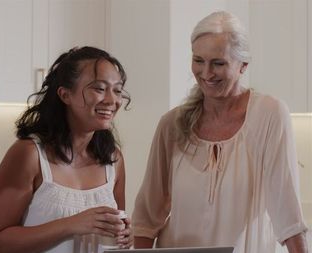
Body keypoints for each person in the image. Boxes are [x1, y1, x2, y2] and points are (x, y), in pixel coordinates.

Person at [132, 11, 309, 253]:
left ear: (243, 66)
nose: (206, 73)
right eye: (198, 60)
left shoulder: (269, 114)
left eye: (218, 63)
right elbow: (147, 217)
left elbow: (286, 210)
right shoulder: (170, 125)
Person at [0, 46, 133, 253]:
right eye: (99, 88)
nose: (112, 100)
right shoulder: (29, 155)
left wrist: (124, 236)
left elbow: (114, 238)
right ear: (65, 95)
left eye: (117, 90)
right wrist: (72, 224)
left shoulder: (114, 160)